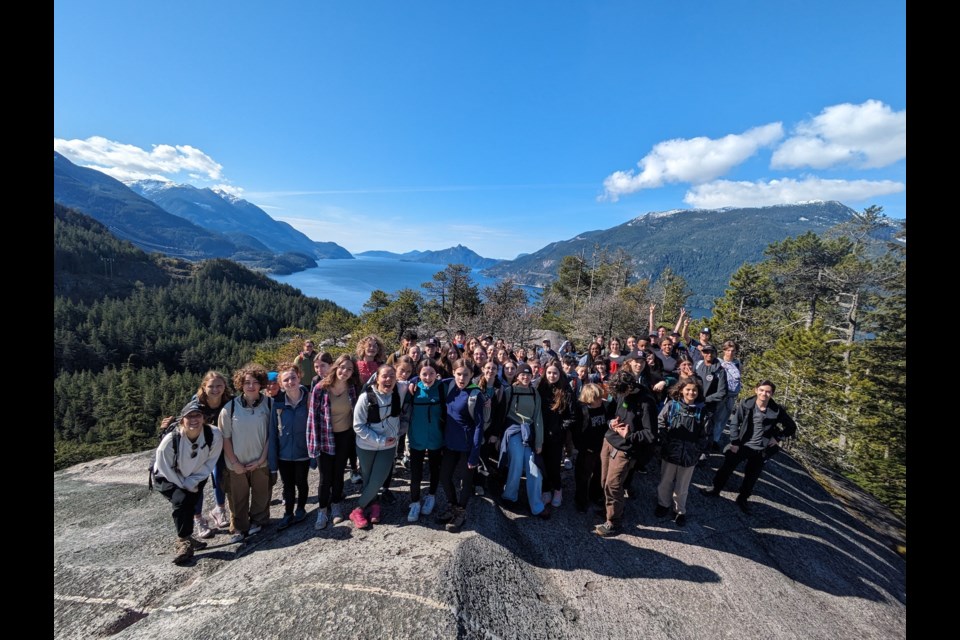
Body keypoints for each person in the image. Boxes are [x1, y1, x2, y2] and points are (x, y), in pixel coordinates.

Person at [702, 380, 797, 513]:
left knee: (752, 475)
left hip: (762, 448)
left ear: (772, 393)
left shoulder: (776, 410)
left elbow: (791, 427)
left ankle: (743, 498)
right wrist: (734, 442)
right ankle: (716, 488)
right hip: (743, 444)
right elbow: (735, 423)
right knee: (727, 467)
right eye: (762, 390)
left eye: (768, 391)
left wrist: (777, 438)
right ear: (756, 390)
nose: (764, 393)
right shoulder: (746, 404)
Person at [158, 371, 233, 538]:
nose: (215, 389)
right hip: (200, 447)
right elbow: (187, 420)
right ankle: (198, 519)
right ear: (204, 387)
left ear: (224, 387)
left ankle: (219, 509)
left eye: (219, 385)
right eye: (211, 386)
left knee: (220, 477)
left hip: (220, 445)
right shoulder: (197, 402)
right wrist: (166, 429)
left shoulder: (229, 402)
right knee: (196, 482)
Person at [152, 399, 223, 565]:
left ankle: (187, 537)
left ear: (203, 417)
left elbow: (210, 461)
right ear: (182, 419)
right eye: (189, 416)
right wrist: (183, 484)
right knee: (182, 501)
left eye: (197, 415)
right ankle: (183, 541)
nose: (194, 419)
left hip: (195, 475)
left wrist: (194, 480)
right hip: (167, 477)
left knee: (190, 502)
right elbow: (164, 467)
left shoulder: (213, 435)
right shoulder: (171, 440)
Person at [595, 369, 658, 537]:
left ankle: (614, 522)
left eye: (621, 392)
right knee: (603, 481)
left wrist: (630, 435)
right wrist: (611, 423)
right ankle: (609, 508)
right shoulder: (620, 392)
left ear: (630, 386)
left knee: (613, 484)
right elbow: (612, 413)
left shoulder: (646, 401)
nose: (619, 396)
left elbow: (650, 434)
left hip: (625, 449)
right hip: (609, 440)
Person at [219, 364, 276, 543]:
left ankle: (258, 522)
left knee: (261, 495)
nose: (251, 386)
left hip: (261, 461)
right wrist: (235, 463)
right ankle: (238, 527)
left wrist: (261, 460)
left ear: (261, 384)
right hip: (236, 463)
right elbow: (225, 438)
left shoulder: (269, 404)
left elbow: (271, 435)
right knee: (237, 498)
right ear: (240, 384)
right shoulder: (230, 408)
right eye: (247, 382)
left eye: (255, 382)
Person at [351, 364, 410, 528]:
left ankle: (358, 509)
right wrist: (379, 440)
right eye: (384, 376)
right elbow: (358, 426)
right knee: (369, 480)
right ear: (377, 378)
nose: (388, 379)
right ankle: (374, 505)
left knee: (378, 479)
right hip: (366, 446)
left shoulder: (400, 390)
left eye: (392, 376)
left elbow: (415, 381)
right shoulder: (366, 398)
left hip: (388, 446)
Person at [307, 355, 361, 529]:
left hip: (344, 436)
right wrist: (313, 444)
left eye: (349, 369)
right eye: (342, 367)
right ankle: (322, 511)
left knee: (338, 474)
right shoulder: (320, 388)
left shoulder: (351, 388)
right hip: (325, 437)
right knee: (325, 477)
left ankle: (336, 505)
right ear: (336, 367)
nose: (344, 372)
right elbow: (312, 417)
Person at [437, 359, 485, 532]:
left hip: (467, 445)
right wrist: (412, 384)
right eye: (458, 374)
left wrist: (475, 453)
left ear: (472, 375)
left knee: (466, 482)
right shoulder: (449, 386)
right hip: (450, 443)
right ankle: (452, 505)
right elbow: (428, 382)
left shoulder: (475, 394)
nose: (462, 378)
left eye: (466, 374)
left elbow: (479, 426)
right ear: (453, 373)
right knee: (444, 477)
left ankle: (461, 512)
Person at [655, 380, 711, 526]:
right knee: (665, 481)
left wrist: (700, 451)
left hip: (689, 455)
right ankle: (663, 504)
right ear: (681, 390)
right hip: (670, 452)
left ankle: (679, 510)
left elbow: (705, 435)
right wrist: (664, 440)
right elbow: (660, 421)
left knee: (682, 486)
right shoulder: (672, 405)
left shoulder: (702, 411)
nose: (691, 393)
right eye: (688, 389)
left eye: (694, 390)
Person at [498, 363, 550, 518]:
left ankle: (537, 506)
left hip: (529, 434)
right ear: (517, 376)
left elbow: (538, 418)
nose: (525, 377)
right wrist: (497, 437)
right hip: (513, 432)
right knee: (517, 461)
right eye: (522, 374)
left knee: (533, 467)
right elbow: (501, 414)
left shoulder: (535, 393)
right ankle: (509, 496)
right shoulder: (510, 391)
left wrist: (539, 442)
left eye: (528, 374)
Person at [270, 363, 311, 529]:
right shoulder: (277, 405)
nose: (290, 382)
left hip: (303, 451)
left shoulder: (308, 400)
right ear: (281, 384)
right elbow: (273, 433)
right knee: (287, 484)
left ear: (299, 377)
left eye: (293, 377)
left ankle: (301, 509)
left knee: (301, 481)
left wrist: (314, 455)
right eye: (286, 380)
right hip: (284, 453)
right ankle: (288, 513)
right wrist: (273, 461)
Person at [406, 359, 446, 523]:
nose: (428, 377)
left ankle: (431, 496)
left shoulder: (442, 387)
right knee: (416, 472)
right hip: (417, 436)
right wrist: (412, 381)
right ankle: (415, 502)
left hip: (436, 436)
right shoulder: (413, 389)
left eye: (431, 373)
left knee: (434, 469)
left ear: (437, 374)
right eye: (424, 374)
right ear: (418, 374)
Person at [537, 359, 577, 509]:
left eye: (555, 373)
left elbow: (572, 416)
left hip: (556, 435)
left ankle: (558, 490)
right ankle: (546, 489)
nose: (552, 375)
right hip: (541, 433)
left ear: (560, 374)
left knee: (554, 464)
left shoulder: (566, 391)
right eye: (549, 372)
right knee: (543, 463)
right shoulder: (541, 388)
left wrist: (560, 428)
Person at [570, 383, 608, 513]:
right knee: (582, 476)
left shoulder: (603, 407)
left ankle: (595, 494)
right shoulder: (582, 410)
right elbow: (576, 431)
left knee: (599, 473)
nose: (599, 401)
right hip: (586, 449)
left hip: (601, 447)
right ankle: (580, 500)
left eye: (600, 398)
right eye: (596, 398)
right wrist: (580, 447)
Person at [694, 344, 728, 464]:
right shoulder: (697, 365)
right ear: (702, 353)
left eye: (711, 352)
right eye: (706, 352)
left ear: (715, 354)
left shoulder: (720, 370)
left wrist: (706, 400)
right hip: (694, 403)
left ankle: (703, 455)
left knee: (706, 431)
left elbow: (722, 392)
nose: (708, 354)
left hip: (709, 407)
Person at [714, 341, 743, 450]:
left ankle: (715, 439)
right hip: (718, 393)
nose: (730, 353)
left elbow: (738, 378)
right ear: (724, 351)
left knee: (723, 419)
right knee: (713, 417)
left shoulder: (738, 364)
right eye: (728, 350)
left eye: (733, 350)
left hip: (731, 395)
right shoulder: (717, 361)